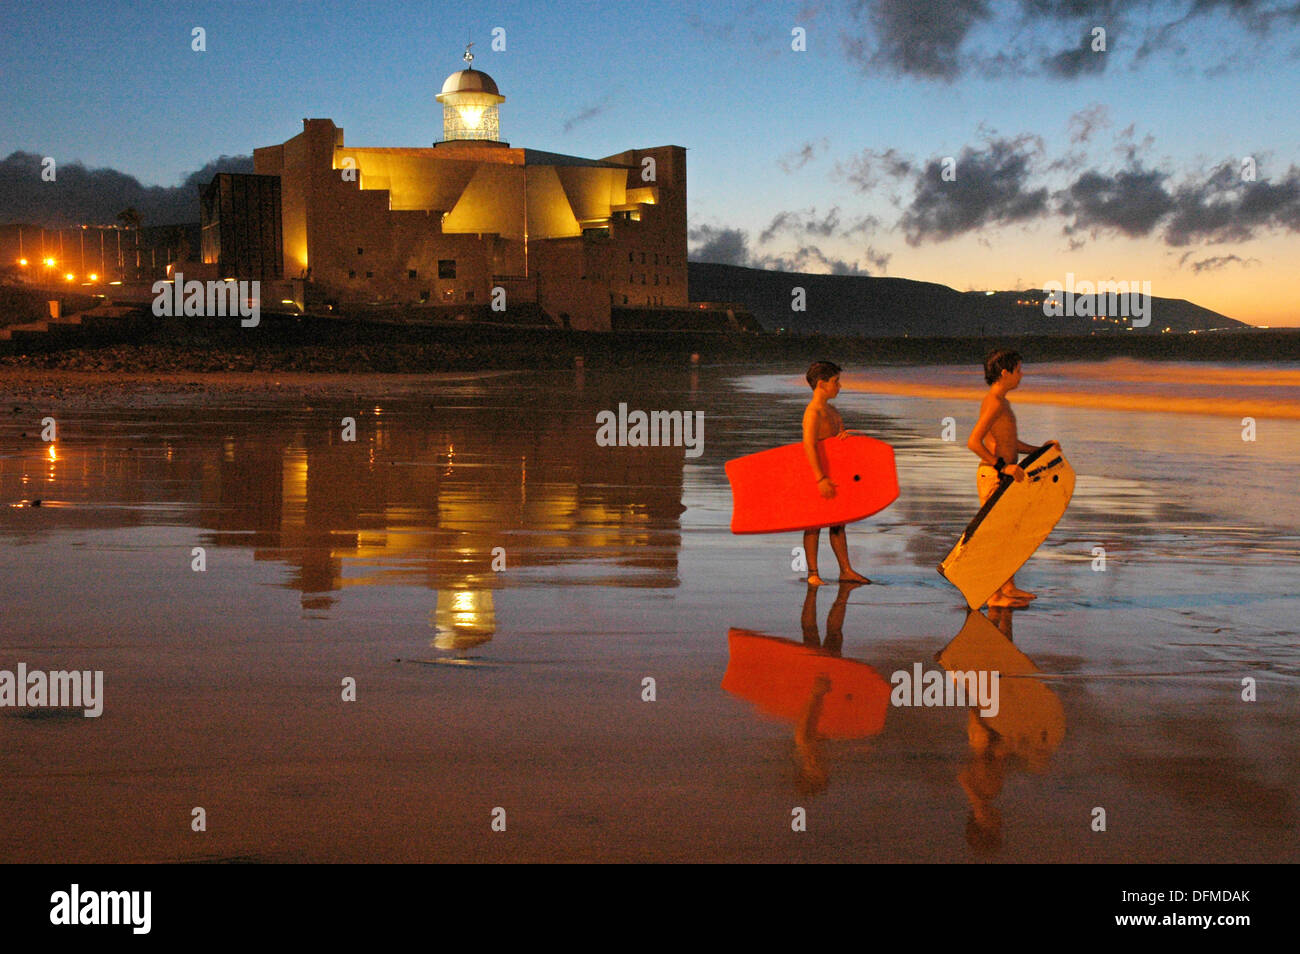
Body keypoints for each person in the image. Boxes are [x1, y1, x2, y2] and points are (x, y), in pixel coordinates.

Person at [966, 349, 1061, 608]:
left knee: (1008, 534)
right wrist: (1002, 468)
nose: (1022, 374)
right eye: (1019, 370)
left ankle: (1008, 587)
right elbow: (974, 442)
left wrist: (1040, 450)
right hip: (995, 476)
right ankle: (994, 595)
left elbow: (1008, 443)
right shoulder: (995, 402)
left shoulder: (1001, 402)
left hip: (1004, 474)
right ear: (1005, 372)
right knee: (998, 536)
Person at [801, 361, 871, 586]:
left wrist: (846, 438)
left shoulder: (832, 411)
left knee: (839, 523)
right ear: (822, 384)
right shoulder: (813, 412)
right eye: (835, 382)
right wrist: (819, 478)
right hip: (818, 474)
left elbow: (839, 443)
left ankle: (846, 570)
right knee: (813, 524)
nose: (839, 386)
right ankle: (813, 573)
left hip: (835, 473)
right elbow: (809, 445)